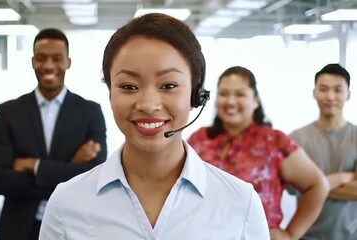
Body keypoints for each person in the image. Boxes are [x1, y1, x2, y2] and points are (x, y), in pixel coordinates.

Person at [39, 13, 270, 240]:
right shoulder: (66, 203)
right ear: (110, 93)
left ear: (196, 95)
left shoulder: (241, 202)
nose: (148, 105)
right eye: (129, 86)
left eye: (168, 85)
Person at [0, 28, 107, 240]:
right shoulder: (8, 112)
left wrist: (34, 166)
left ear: (68, 62)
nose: (49, 66)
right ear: (33, 61)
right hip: (18, 229)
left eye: (57, 58)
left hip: (73, 228)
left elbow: (95, 178)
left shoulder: (90, 111)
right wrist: (69, 170)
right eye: (41, 58)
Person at [188, 66, 329, 240]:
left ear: (255, 100)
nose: (230, 101)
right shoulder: (199, 139)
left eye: (240, 94)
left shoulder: (274, 142)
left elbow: (318, 185)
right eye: (224, 94)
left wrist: (291, 234)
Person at [289, 63, 357, 240]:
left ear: (348, 94)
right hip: (305, 236)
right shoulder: (297, 138)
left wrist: (312, 187)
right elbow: (292, 188)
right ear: (314, 93)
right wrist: (343, 178)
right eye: (324, 89)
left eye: (338, 90)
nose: (330, 96)